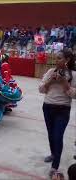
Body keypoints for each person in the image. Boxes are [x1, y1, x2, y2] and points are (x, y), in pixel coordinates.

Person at [39, 49, 76, 178]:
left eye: (59, 58)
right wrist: (51, 81)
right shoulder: (50, 72)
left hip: (63, 109)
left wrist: (65, 83)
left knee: (57, 136)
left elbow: (74, 95)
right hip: (48, 107)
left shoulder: (73, 74)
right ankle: (53, 154)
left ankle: (55, 166)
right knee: (51, 135)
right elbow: (41, 89)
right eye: (56, 58)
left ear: (67, 60)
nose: (56, 60)